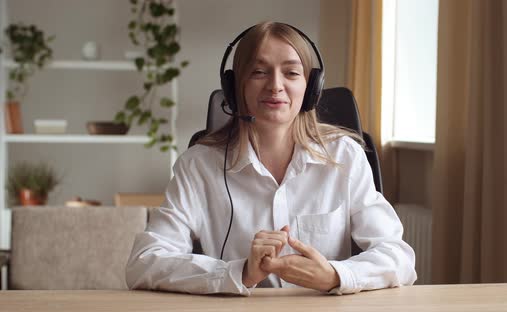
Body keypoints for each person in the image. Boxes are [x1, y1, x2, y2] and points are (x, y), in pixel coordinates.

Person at [125, 21, 417, 296]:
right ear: (235, 86)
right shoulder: (198, 166)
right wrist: (239, 272)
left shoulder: (344, 156)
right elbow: (145, 262)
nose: (275, 86)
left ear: (311, 87)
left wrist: (335, 275)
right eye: (259, 72)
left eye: (291, 73)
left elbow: (397, 255)